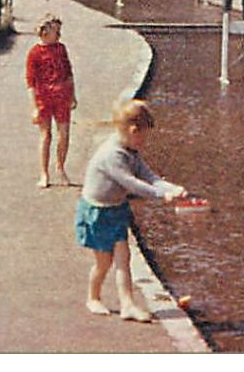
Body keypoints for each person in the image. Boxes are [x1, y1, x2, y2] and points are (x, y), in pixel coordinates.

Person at [75, 99, 186, 323]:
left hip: (116, 210)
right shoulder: (112, 155)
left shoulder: (131, 150)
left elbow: (149, 175)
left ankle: (127, 304)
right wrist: (160, 195)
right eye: (143, 137)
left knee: (123, 260)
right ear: (133, 130)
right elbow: (131, 183)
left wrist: (170, 187)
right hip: (97, 212)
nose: (145, 142)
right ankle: (93, 297)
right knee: (103, 263)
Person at [26, 14, 76, 189]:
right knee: (45, 135)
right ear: (45, 32)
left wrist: (73, 95)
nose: (59, 35)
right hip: (44, 97)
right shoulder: (34, 53)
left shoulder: (61, 49)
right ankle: (44, 173)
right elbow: (30, 83)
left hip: (62, 95)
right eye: (56, 31)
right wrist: (34, 107)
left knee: (64, 134)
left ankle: (60, 166)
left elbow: (69, 73)